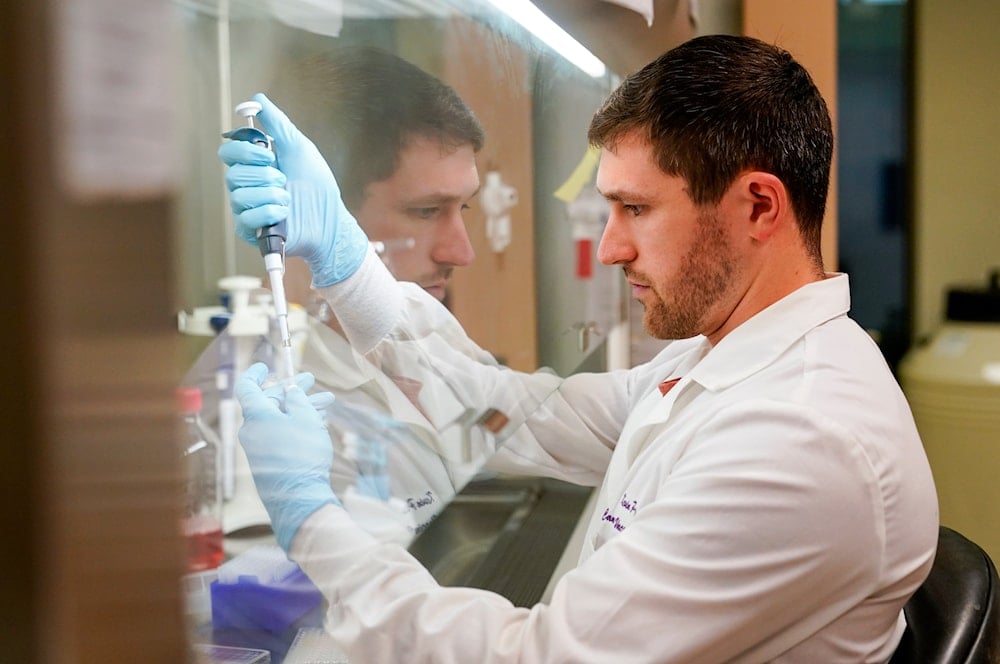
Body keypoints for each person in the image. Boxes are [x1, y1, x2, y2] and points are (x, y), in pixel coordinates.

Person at [219, 34, 939, 662]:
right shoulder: (729, 362)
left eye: (637, 209)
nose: (611, 247)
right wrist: (350, 270)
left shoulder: (799, 438)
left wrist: (314, 521)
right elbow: (517, 413)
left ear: (757, 206)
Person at [187, 46, 496, 542]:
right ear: (314, 205)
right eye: (426, 210)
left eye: (464, 208)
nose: (462, 252)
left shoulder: (426, 345)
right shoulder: (241, 424)